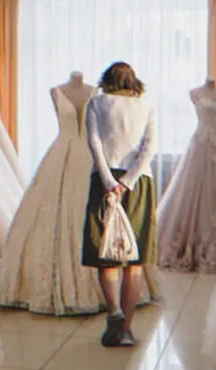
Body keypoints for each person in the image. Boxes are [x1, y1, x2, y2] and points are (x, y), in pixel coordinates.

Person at [83, 62, 158, 347]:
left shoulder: (96, 103)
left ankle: (113, 314)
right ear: (133, 80)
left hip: (104, 179)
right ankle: (126, 327)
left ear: (107, 79)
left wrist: (109, 181)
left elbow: (94, 142)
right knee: (134, 259)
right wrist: (127, 182)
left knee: (107, 250)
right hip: (139, 182)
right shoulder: (147, 105)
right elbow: (149, 148)